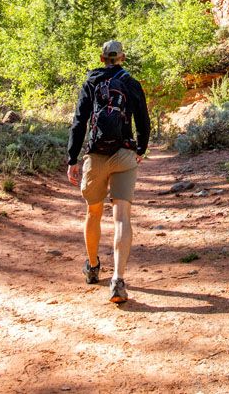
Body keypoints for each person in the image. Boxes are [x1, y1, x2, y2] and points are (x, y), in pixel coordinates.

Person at [67, 40, 151, 303]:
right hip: (124, 153)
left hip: (96, 155)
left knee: (93, 212)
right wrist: (141, 148)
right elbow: (143, 119)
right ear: (122, 58)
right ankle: (118, 279)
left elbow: (79, 122)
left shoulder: (91, 82)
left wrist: (73, 158)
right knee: (121, 215)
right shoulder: (131, 83)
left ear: (102, 58)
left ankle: (93, 267)